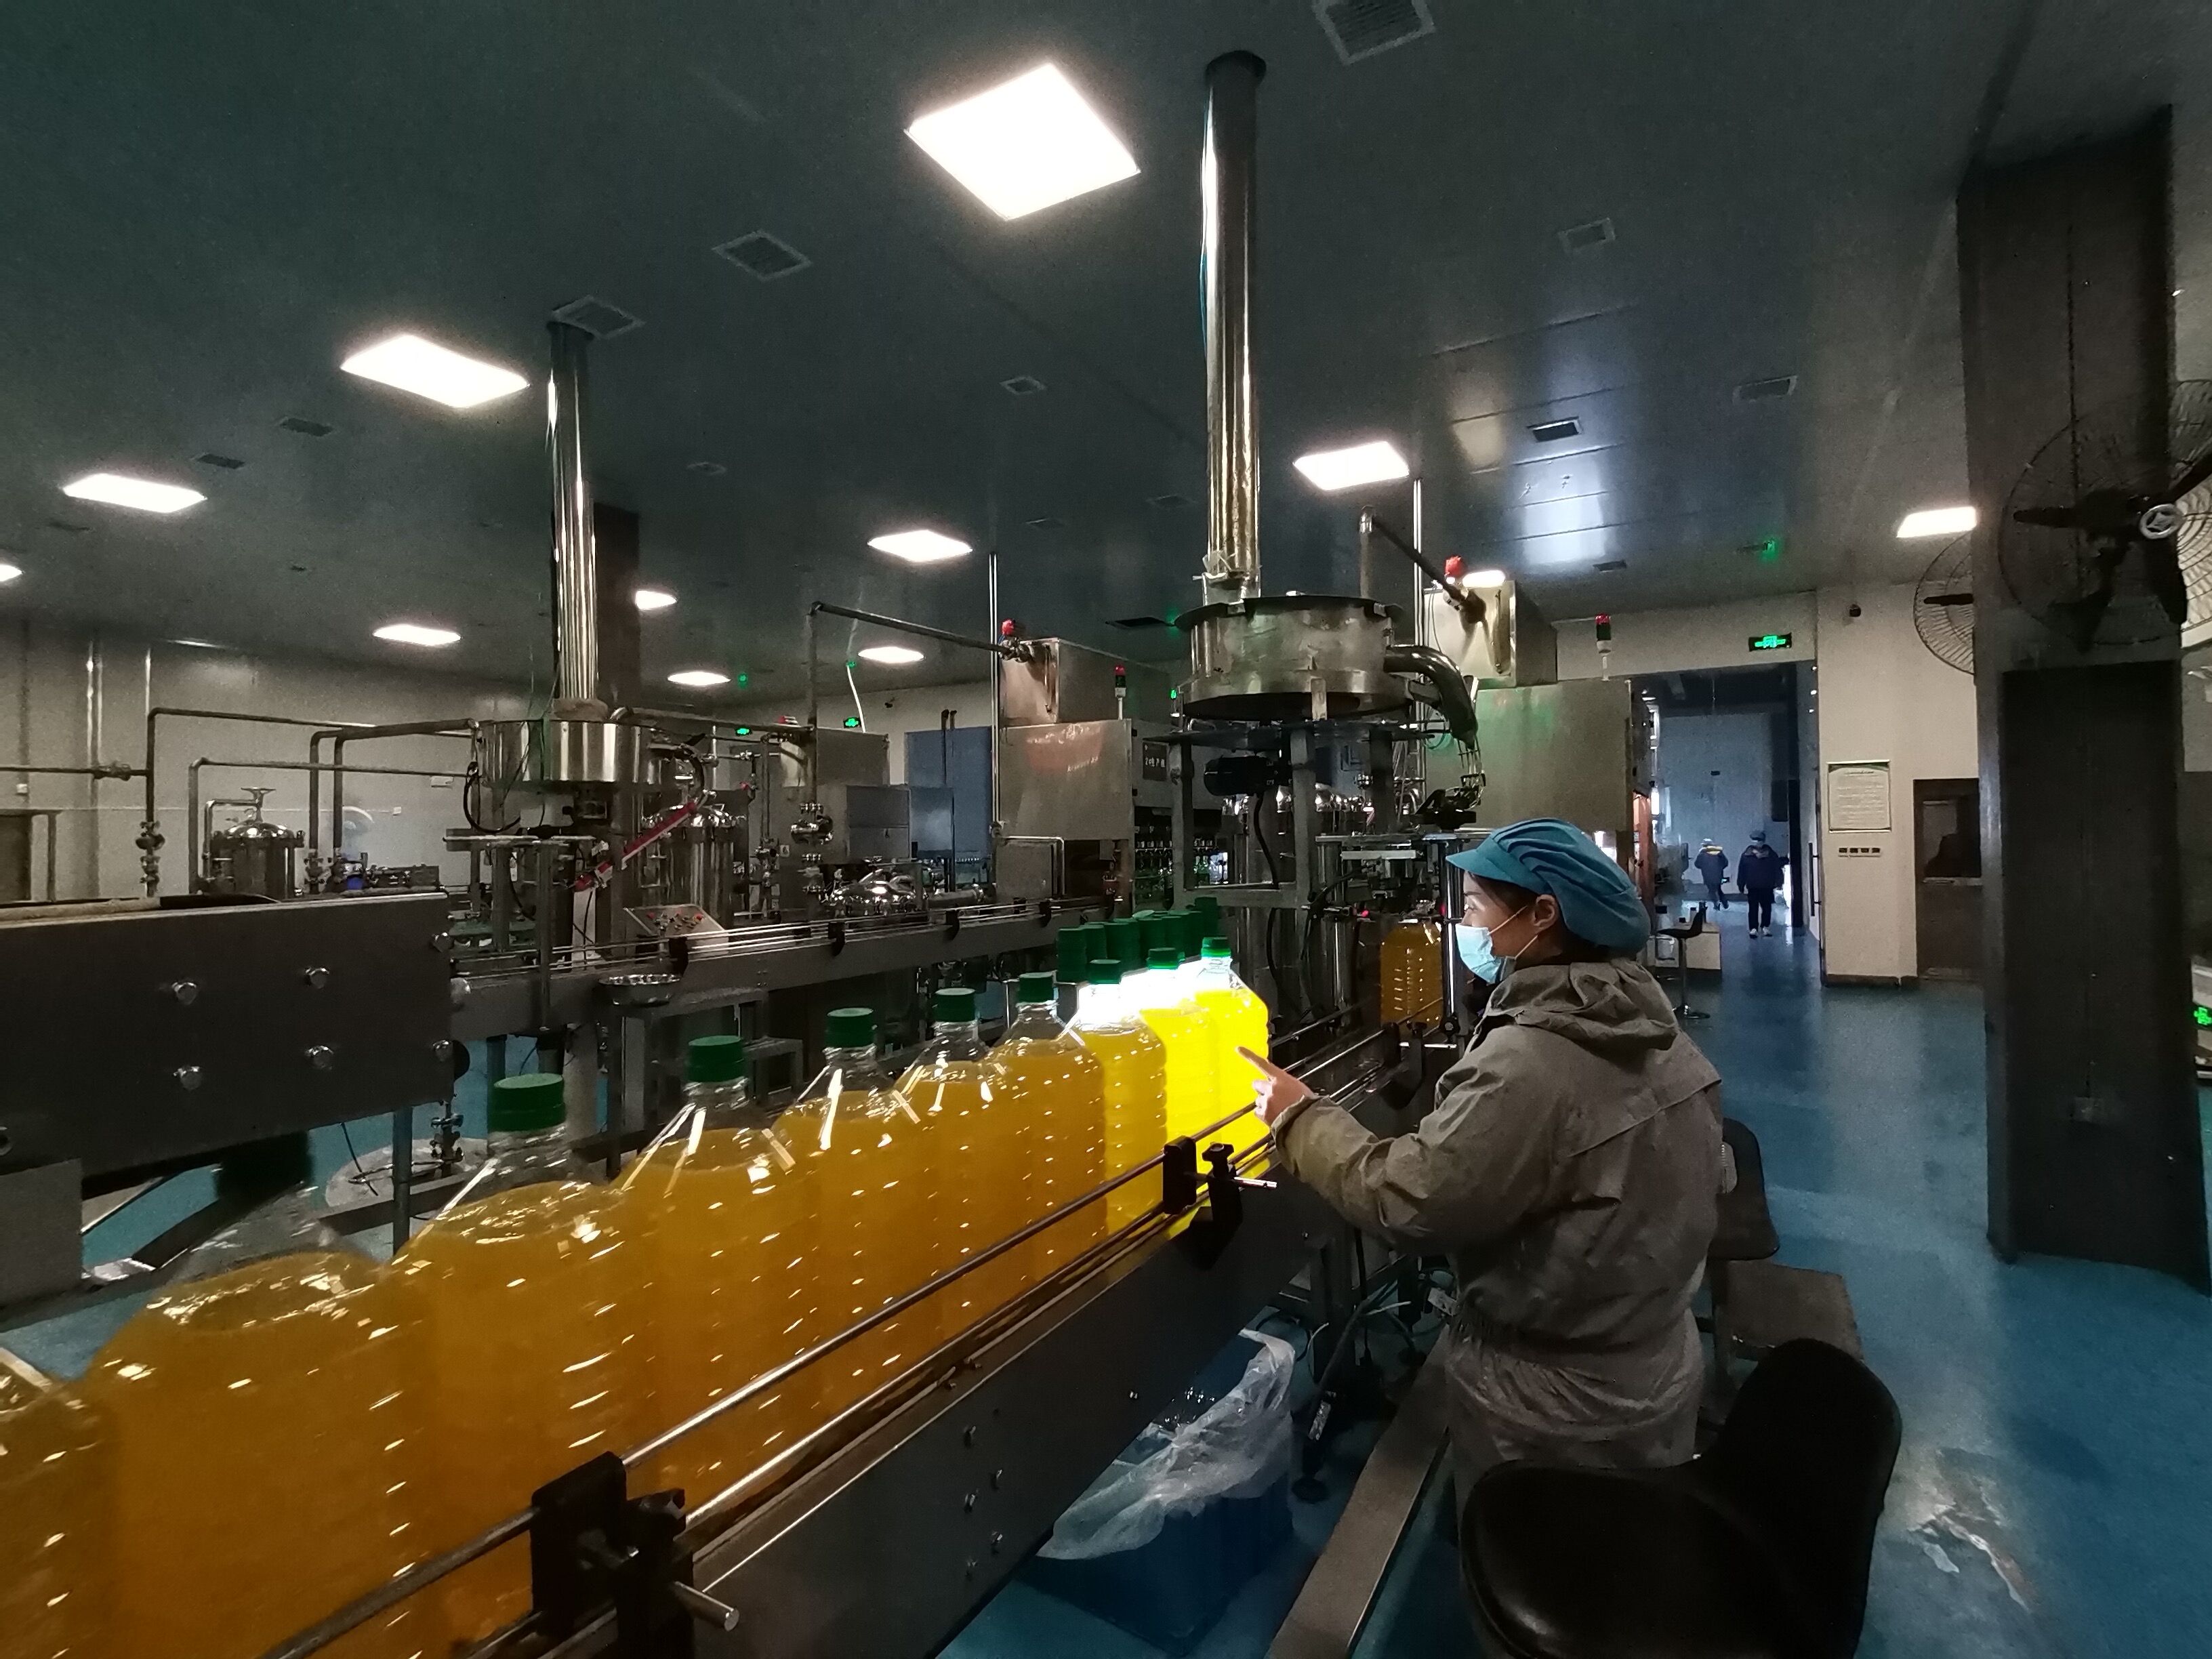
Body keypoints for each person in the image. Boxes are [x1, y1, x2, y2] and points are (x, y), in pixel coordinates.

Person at [1242, 818, 1722, 1500]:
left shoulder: (1527, 1066)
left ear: (1542, 916)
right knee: (1633, 1546)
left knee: (1546, 1556)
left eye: (1473, 909)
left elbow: (1409, 1200)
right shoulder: (1649, 1023)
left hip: (1556, 1414)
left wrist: (1298, 1116)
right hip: (1652, 1367)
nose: (1463, 927)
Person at [1736, 831, 1786, 937]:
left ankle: (1765, 926)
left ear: (1763, 841)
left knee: (1766, 908)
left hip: (1767, 886)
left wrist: (1779, 882)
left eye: (1759, 840)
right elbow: (1742, 871)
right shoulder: (1747, 855)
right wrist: (1741, 884)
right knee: (1753, 908)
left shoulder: (1771, 855)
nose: (1757, 842)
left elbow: (1777, 869)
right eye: (1755, 840)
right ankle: (1753, 928)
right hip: (1753, 886)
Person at [1692, 840, 1728, 909]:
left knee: (1711, 891)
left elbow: (1697, 864)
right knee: (1719, 889)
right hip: (1718, 875)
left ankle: (1716, 904)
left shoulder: (1702, 854)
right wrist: (1719, 868)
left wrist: (1704, 867)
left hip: (1707, 876)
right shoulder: (1719, 853)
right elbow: (1726, 863)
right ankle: (1725, 902)